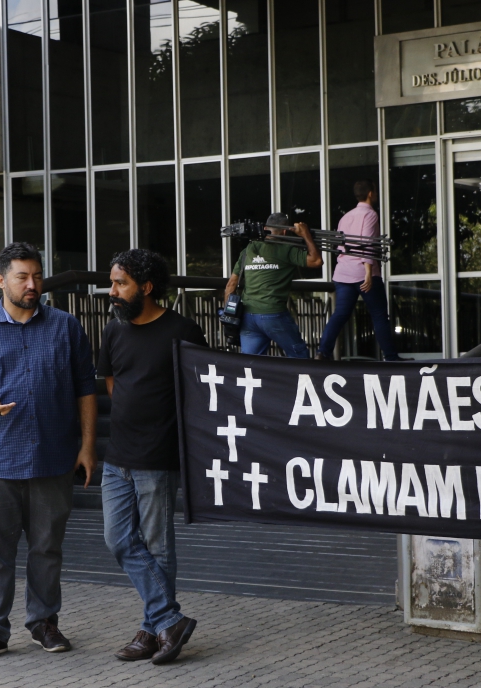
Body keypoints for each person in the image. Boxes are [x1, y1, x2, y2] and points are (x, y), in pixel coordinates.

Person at [0, 242, 97, 664]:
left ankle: (43, 622)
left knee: (47, 549)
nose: (32, 285)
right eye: (22, 277)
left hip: (53, 458)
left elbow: (86, 386)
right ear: (1, 280)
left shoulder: (66, 326)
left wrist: (87, 446)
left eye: (36, 276)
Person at [98, 249, 206, 664]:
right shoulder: (114, 330)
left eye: (120, 283)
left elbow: (200, 393)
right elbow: (112, 383)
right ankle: (168, 622)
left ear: (146, 286)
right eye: (112, 283)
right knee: (118, 539)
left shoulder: (183, 331)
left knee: (158, 548)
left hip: (158, 456)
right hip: (117, 456)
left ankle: (150, 632)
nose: (113, 292)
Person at [316, 181, 399, 362]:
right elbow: (367, 243)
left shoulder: (345, 217)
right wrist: (368, 272)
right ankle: (391, 358)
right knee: (379, 316)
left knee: (340, 314)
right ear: (370, 193)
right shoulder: (370, 214)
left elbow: (340, 245)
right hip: (363, 272)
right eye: (375, 191)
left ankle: (323, 352)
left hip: (343, 273)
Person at [224, 212, 322, 359]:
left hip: (248, 317)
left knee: (250, 364)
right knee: (299, 356)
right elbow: (316, 261)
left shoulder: (248, 250)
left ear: (265, 229)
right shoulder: (286, 249)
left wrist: (229, 317)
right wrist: (305, 235)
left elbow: (231, 285)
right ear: (284, 231)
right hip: (273, 314)